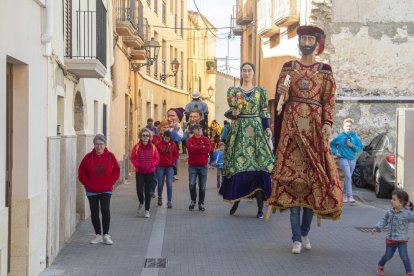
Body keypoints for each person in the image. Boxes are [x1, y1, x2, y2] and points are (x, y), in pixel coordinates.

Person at [268, 25, 342, 254]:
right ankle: (295, 239)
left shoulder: (325, 70)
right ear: (300, 42)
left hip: (314, 134)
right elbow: (280, 100)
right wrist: (281, 91)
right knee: (293, 189)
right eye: (304, 38)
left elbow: (329, 100)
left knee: (313, 187)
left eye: (311, 38)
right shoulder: (288, 67)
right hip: (292, 135)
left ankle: (305, 232)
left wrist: (327, 124)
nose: (307, 41)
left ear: (316, 41)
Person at [219, 61, 275, 219]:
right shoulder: (234, 92)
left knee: (259, 164)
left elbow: (264, 112)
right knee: (238, 163)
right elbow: (230, 112)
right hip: (240, 131)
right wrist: (233, 113)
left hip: (256, 130)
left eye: (249, 70)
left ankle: (259, 206)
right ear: (241, 72)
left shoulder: (260, 91)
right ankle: (236, 199)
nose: (246, 73)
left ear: (253, 73)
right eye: (244, 70)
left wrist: (267, 128)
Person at [78, 134, 120, 245]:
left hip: (106, 188)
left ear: (105, 145)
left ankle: (106, 235)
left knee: (105, 210)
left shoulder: (110, 156)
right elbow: (81, 171)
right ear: (94, 145)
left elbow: (117, 169)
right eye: (96, 144)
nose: (99, 146)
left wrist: (111, 181)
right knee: (94, 212)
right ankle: (98, 235)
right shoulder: (88, 157)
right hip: (92, 190)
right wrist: (86, 183)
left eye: (101, 144)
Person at [372, 190, 414, 276]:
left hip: (402, 240)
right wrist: (377, 228)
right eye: (392, 199)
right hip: (390, 239)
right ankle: (380, 265)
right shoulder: (389, 212)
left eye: (394, 199)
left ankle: (409, 272)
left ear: (401, 203)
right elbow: (383, 221)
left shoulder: (407, 213)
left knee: (404, 257)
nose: (391, 201)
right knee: (388, 256)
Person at [330, 118, 363, 203]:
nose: (349, 127)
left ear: (352, 127)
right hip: (343, 159)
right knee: (348, 177)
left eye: (350, 126)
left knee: (348, 177)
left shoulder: (354, 137)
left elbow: (360, 148)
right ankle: (350, 196)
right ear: (343, 127)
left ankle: (343, 194)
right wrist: (335, 152)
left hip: (353, 159)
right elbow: (331, 145)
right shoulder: (340, 137)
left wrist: (352, 145)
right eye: (347, 126)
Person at [130, 128, 160, 218]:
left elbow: (157, 158)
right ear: (141, 136)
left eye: (147, 135)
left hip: (150, 172)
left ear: (150, 137)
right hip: (140, 172)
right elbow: (133, 158)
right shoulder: (137, 146)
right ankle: (141, 202)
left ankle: (147, 210)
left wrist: (152, 165)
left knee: (147, 192)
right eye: (144, 135)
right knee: (139, 190)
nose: (145, 137)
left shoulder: (153, 147)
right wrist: (137, 165)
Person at [186, 123, 210, 211]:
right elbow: (190, 150)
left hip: (203, 165)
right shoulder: (190, 140)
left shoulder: (206, 139)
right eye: (197, 129)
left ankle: (201, 203)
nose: (199, 130)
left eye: (200, 128)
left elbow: (207, 149)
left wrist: (196, 147)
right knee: (192, 184)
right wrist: (201, 147)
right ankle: (193, 200)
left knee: (202, 186)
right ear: (194, 130)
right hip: (193, 165)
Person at [156, 130, 179, 208]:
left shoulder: (173, 145)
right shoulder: (159, 144)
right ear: (163, 137)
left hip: (169, 167)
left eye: (168, 138)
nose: (167, 139)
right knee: (160, 183)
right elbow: (155, 155)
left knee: (169, 183)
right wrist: (157, 162)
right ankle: (159, 198)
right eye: (165, 138)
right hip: (160, 166)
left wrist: (173, 160)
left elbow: (176, 154)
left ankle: (169, 201)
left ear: (170, 138)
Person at [167, 108, 184, 180]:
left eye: (172, 116)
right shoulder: (168, 127)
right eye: (168, 116)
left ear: (178, 118)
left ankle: (173, 174)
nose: (169, 118)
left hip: (173, 149)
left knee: (173, 161)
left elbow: (176, 138)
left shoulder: (177, 126)